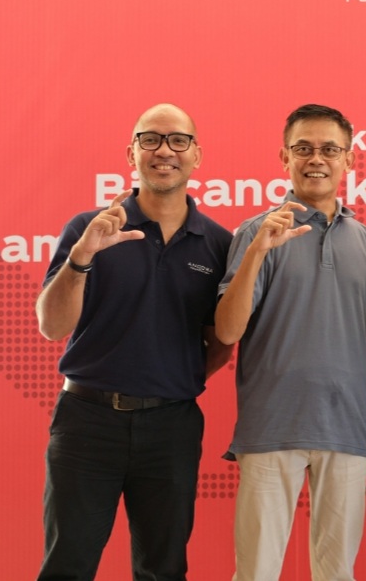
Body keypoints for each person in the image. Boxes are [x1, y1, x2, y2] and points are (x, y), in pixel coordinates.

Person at [34, 103, 234, 580]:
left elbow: (222, 341)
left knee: (163, 569)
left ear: (196, 155)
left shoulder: (218, 243)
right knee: (67, 565)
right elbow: (52, 326)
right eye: (151, 139)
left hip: (171, 427)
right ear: (132, 153)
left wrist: (171, 379)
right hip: (86, 423)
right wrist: (81, 259)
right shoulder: (90, 228)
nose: (164, 151)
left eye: (178, 140)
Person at [214, 103, 366, 581]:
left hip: (348, 429)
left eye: (329, 149)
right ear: (284, 157)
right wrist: (257, 252)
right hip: (271, 426)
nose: (316, 159)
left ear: (349, 159)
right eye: (303, 148)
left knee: (337, 574)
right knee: (255, 573)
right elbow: (227, 331)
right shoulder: (257, 233)